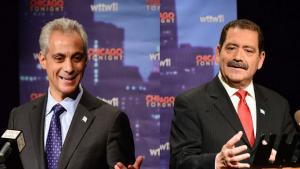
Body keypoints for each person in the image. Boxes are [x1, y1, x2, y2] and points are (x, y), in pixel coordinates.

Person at [8, 17, 143, 169]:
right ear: (43, 60)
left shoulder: (110, 121)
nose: (69, 68)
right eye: (59, 58)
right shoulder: (19, 117)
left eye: (76, 58)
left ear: (86, 60)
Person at [169, 19, 296, 169]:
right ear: (218, 53)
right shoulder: (190, 103)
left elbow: (294, 155)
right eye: (231, 48)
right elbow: (180, 162)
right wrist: (216, 161)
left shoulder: (278, 105)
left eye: (248, 50)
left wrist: (283, 163)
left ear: (260, 59)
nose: (238, 57)